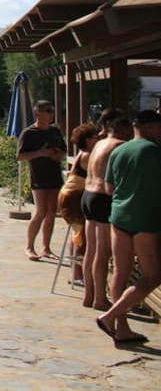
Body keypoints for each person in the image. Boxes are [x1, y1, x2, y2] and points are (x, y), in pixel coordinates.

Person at [96, 110, 161, 345]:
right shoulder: (154, 151)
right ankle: (110, 316)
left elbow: (109, 188)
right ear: (151, 127)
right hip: (145, 219)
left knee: (120, 273)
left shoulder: (118, 150)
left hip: (119, 216)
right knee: (152, 276)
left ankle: (122, 328)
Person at [81, 110, 132, 310]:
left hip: (87, 195)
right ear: (122, 129)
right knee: (102, 253)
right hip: (102, 197)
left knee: (90, 250)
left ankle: (89, 295)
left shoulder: (99, 144)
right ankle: (100, 298)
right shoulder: (119, 145)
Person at [17, 100, 67, 261]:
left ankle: (46, 248)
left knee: (52, 212)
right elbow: (20, 155)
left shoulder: (55, 131)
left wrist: (56, 154)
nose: (50, 114)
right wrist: (40, 153)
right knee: (41, 211)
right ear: (38, 113)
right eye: (47, 111)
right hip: (38, 176)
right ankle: (29, 246)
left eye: (51, 110)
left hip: (54, 175)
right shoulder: (29, 133)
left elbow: (63, 151)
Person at [59, 123, 98, 286]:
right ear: (88, 140)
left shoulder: (82, 153)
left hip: (70, 194)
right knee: (80, 236)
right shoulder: (88, 155)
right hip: (75, 197)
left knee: (77, 233)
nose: (98, 138)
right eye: (95, 136)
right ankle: (77, 274)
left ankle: (74, 273)